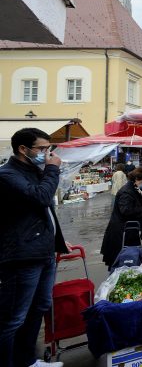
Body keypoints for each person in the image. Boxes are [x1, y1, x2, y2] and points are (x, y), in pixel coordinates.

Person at [0, 128, 68, 367]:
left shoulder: (33, 171)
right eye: (41, 149)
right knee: (13, 318)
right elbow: (40, 197)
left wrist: (56, 240)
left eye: (48, 148)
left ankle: (28, 360)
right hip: (22, 256)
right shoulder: (7, 175)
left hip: (42, 251)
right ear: (23, 149)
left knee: (38, 307)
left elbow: (42, 211)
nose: (46, 153)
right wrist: (52, 169)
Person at [101, 168, 142, 268]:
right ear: (136, 178)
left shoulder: (133, 188)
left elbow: (135, 205)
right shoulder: (126, 192)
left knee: (131, 258)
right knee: (123, 260)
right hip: (122, 231)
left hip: (130, 229)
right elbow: (126, 211)